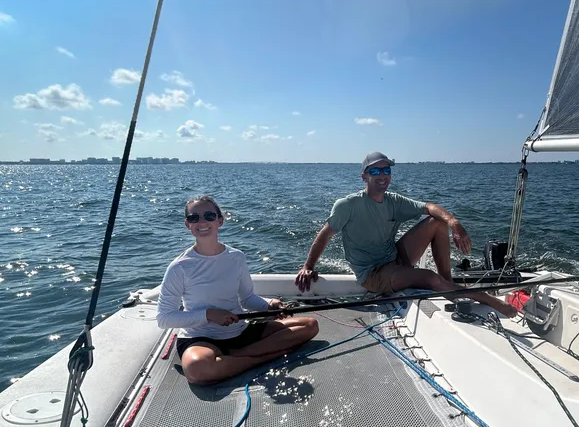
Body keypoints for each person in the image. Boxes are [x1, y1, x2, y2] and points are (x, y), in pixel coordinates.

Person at [295, 152, 517, 317]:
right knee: (427, 277)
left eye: (386, 170)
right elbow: (325, 234)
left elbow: (429, 206)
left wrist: (453, 222)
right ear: (364, 177)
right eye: (375, 171)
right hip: (373, 274)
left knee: (436, 223)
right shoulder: (348, 205)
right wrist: (309, 266)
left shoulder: (393, 201)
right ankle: (483, 297)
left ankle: (447, 284)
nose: (382, 175)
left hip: (394, 259)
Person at [157, 194, 319, 385]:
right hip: (201, 339)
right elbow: (164, 318)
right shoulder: (179, 267)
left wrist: (269, 305)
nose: (202, 222)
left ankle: (236, 358)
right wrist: (208, 315)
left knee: (310, 325)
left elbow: (248, 298)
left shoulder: (236, 257)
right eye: (194, 218)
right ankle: (261, 357)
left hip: (240, 333)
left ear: (220, 221)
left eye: (209, 216)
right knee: (197, 368)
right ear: (188, 225)